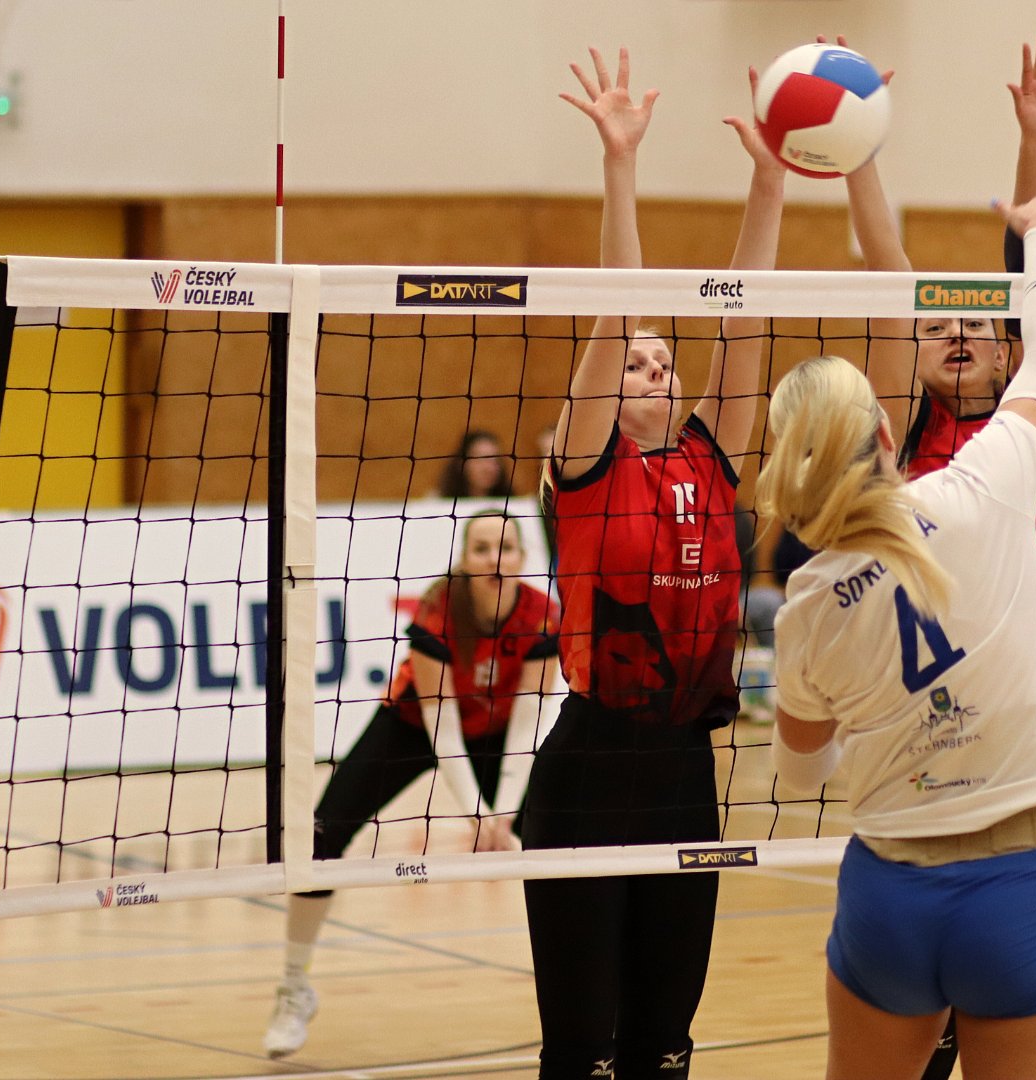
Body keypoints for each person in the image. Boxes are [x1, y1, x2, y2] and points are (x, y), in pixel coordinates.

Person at [764, 195, 1036, 1080]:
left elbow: (800, 773)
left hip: (891, 895)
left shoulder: (806, 602)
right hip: (1029, 887)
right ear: (886, 430)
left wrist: (897, 718)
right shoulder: (982, 486)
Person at [520, 47, 783, 1079]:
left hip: (685, 775)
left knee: (664, 1051)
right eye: (632, 360)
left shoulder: (710, 461)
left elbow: (745, 323)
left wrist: (769, 184)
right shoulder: (587, 466)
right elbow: (612, 302)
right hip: (586, 776)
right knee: (582, 1053)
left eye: (663, 359)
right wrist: (620, 165)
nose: (653, 367)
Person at [262, 508, 559, 1059]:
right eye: (481, 549)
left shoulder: (543, 615)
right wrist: (477, 814)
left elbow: (527, 722)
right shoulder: (439, 608)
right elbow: (441, 726)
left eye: (506, 548)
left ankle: (582, 991)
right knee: (320, 837)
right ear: (464, 560)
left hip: (498, 737)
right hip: (412, 726)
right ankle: (293, 986)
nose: (495, 559)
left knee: (564, 838)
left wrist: (504, 813)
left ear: (523, 557)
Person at [847, 36, 1036, 657]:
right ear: (913, 358)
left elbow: (1030, 265)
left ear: (1005, 356)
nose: (956, 331)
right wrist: (855, 148)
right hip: (941, 673)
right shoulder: (906, 426)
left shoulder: (1030, 419)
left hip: (1035, 666)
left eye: (977, 324)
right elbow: (889, 276)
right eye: (935, 329)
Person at [439, 428, 516, 499]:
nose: (489, 468)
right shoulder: (439, 504)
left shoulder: (514, 504)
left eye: (495, 460)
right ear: (461, 463)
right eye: (480, 459)